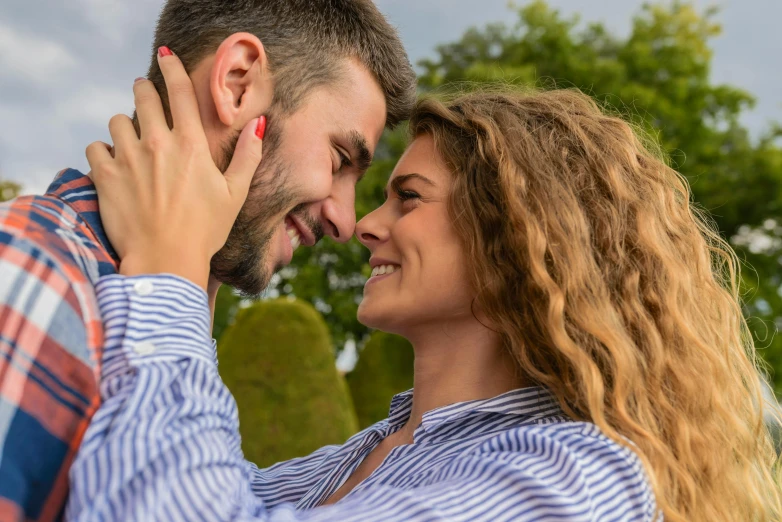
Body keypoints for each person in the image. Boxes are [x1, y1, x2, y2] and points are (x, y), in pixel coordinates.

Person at [66, 59, 782, 521]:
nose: (364, 225)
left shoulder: (579, 483)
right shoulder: (370, 451)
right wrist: (209, 250)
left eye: (408, 197)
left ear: (518, 238)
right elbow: (186, 483)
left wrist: (170, 270)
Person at [0, 0, 416, 519]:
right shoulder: (33, 271)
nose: (346, 221)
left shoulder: (158, 335)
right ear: (238, 83)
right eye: (338, 160)